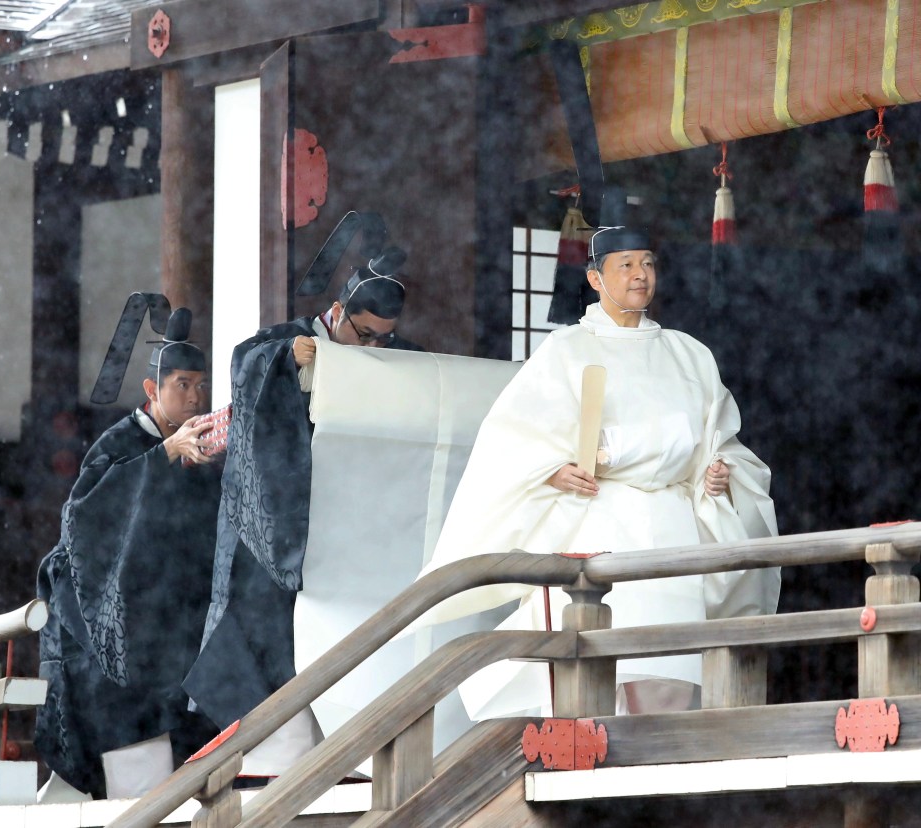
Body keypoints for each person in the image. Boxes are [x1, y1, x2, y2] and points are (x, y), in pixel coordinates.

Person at [420, 225, 780, 718]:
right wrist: (553, 470)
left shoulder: (688, 353)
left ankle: (659, 754)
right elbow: (514, 437)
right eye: (626, 265)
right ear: (595, 278)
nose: (640, 275)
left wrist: (715, 475)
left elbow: (718, 439)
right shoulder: (566, 350)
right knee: (604, 645)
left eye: (648, 263)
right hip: (603, 515)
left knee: (669, 658)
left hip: (673, 522)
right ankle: (592, 738)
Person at [183, 257, 421, 758]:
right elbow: (244, 365)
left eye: (385, 338)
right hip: (271, 523)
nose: (375, 347)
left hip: (338, 524)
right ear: (336, 313)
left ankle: (330, 753)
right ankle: (273, 756)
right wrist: (286, 358)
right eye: (366, 334)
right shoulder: (285, 339)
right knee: (265, 633)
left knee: (334, 639)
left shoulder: (382, 358)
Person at [35, 308, 222, 800]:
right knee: (132, 750)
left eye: (201, 385)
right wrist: (163, 456)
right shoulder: (121, 444)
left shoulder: (200, 445)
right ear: (151, 389)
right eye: (182, 384)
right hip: (111, 623)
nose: (194, 396)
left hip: (169, 622)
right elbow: (83, 519)